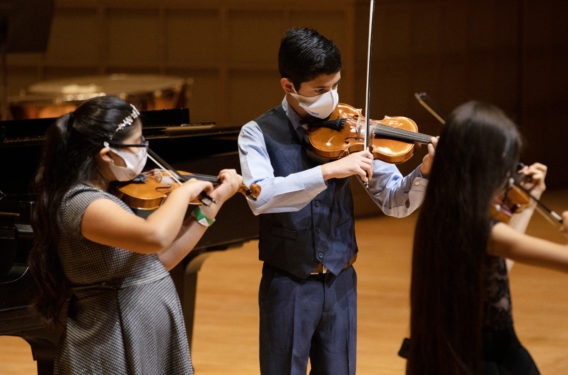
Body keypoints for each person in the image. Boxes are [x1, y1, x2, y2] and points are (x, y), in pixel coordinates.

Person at [237, 27, 438, 374]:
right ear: (289, 86)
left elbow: (395, 201)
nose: (332, 98)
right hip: (288, 283)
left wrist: (425, 170)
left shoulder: (353, 131)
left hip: (341, 280)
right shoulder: (256, 133)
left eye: (336, 86)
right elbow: (261, 196)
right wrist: (328, 172)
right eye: (320, 90)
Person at [28, 95, 243, 374]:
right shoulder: (82, 204)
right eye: (138, 142)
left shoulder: (105, 195)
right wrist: (183, 192)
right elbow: (155, 236)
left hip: (142, 330)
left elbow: (156, 264)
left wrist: (214, 204)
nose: (144, 149)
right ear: (106, 154)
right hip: (112, 340)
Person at [407, 101, 568, 375]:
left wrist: (529, 203)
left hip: (451, 356)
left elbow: (498, 269)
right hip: (488, 361)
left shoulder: (440, 218)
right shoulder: (485, 230)